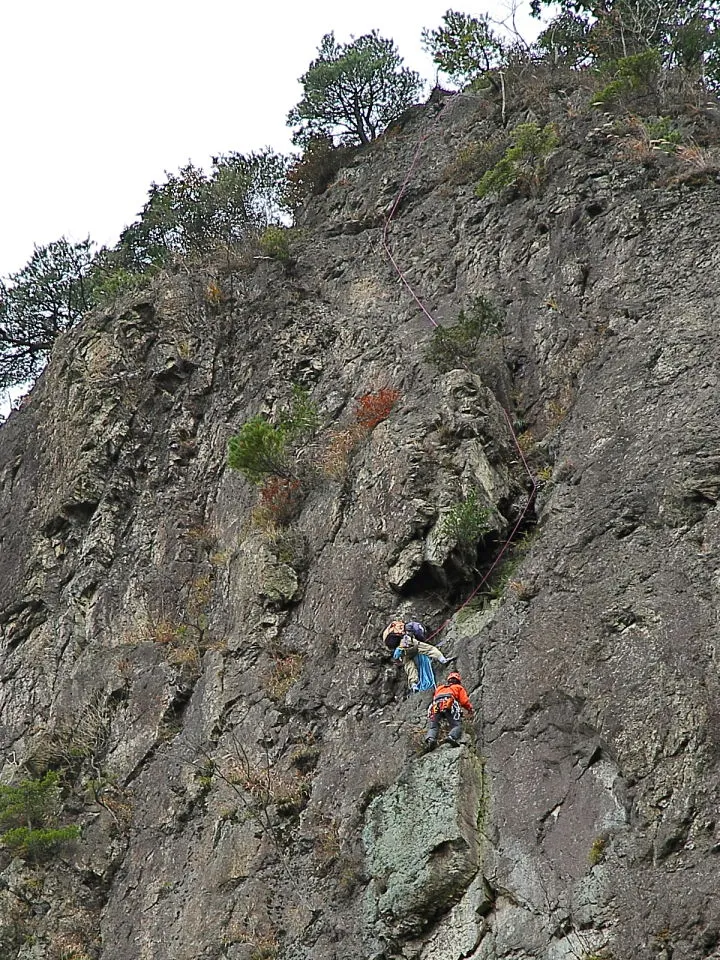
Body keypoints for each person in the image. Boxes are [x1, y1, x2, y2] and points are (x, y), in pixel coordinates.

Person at [381, 618, 455, 692]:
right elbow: (418, 631)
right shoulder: (406, 625)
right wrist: (421, 639)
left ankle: (413, 683)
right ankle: (442, 659)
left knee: (409, 665)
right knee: (430, 649)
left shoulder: (390, 632)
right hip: (410, 642)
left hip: (402, 650)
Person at [424, 672, 474, 748]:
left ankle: (431, 738)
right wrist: (470, 709)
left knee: (433, 726)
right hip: (449, 704)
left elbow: (435, 697)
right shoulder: (458, 687)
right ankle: (451, 737)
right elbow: (464, 701)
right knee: (457, 725)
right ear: (458, 681)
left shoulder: (440, 688)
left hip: (436, 706)